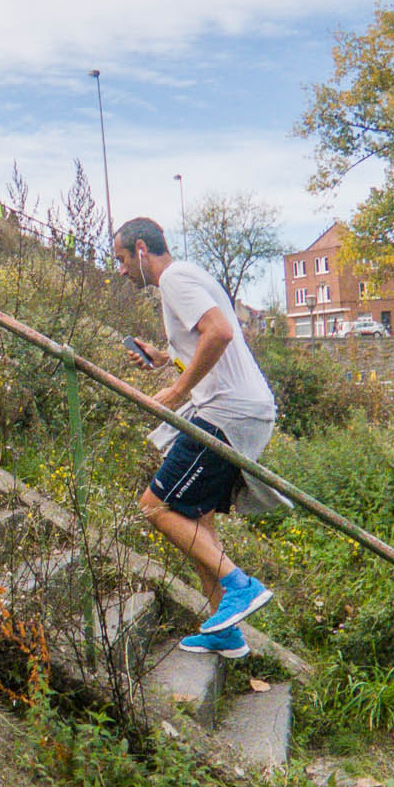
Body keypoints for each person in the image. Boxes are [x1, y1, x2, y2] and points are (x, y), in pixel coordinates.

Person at [112, 216, 278, 658]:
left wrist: (177, 390)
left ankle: (240, 586)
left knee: (155, 506)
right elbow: (210, 339)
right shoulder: (193, 275)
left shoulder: (175, 281)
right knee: (197, 518)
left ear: (142, 249)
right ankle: (224, 628)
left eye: (123, 260)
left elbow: (221, 334)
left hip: (225, 411)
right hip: (243, 409)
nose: (122, 271)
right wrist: (168, 358)